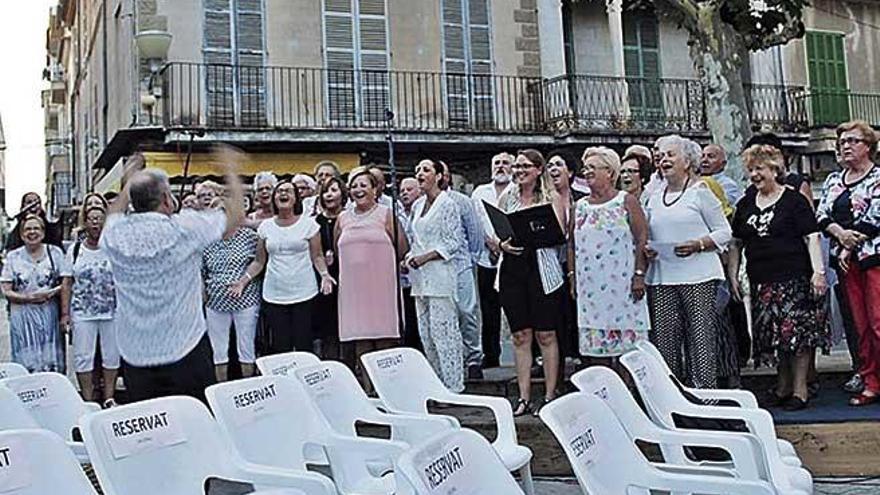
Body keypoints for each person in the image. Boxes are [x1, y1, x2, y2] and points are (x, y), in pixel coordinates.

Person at [100, 149, 243, 403]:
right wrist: (231, 172)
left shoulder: (115, 234)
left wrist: (129, 178)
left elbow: (114, 213)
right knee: (196, 426)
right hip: (185, 349)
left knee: (151, 432)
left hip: (136, 354)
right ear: (167, 199)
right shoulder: (185, 228)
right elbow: (234, 219)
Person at [729, 144, 828, 410]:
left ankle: (800, 390)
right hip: (762, 279)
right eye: (750, 170)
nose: (754, 175)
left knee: (797, 336)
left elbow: (811, 236)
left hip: (794, 277)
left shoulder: (794, 201)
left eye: (759, 168)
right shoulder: (746, 203)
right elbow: (736, 242)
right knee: (774, 337)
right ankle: (782, 386)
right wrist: (734, 274)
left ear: (774, 169)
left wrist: (818, 272)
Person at [644, 135, 732, 389]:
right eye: (661, 155)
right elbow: (647, 232)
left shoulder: (701, 192)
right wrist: (647, 248)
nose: (664, 159)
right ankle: (672, 397)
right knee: (665, 340)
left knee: (700, 338)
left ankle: (706, 397)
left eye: (671, 155)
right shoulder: (653, 194)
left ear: (688, 161)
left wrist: (699, 244)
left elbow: (724, 232)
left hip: (698, 276)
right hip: (661, 276)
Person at [497, 149, 566, 416]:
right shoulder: (507, 196)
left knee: (546, 334)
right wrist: (501, 243)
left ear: (538, 170)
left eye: (525, 166)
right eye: (517, 166)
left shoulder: (552, 197)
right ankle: (524, 397)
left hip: (541, 270)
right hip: (513, 269)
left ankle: (549, 394)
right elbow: (496, 233)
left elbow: (559, 232)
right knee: (520, 334)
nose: (519, 171)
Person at [816, 120, 880, 407]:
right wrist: (840, 237)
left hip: (872, 258)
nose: (846, 146)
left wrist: (849, 247)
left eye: (853, 141)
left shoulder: (878, 177)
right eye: (842, 142)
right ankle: (870, 380)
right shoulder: (832, 180)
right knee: (859, 324)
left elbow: (876, 215)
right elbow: (821, 214)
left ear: (868, 146)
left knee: (879, 321)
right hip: (845, 262)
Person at [571, 147, 650, 365]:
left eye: (593, 168)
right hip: (591, 290)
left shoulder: (626, 201)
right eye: (585, 168)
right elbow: (571, 244)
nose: (587, 172)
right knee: (596, 355)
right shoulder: (579, 207)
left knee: (628, 356)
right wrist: (572, 277)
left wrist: (639, 274)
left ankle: (630, 396)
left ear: (610, 172)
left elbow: (641, 238)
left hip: (623, 287)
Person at [239, 180, 334, 355]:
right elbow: (259, 261)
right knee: (280, 347)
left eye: (288, 191)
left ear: (296, 198)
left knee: (304, 344)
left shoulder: (309, 225)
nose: (283, 194)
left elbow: (317, 256)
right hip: (274, 294)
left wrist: (325, 275)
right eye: (279, 191)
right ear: (274, 199)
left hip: (304, 293)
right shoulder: (265, 227)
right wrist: (243, 281)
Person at [335, 167, 407, 380]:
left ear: (375, 190)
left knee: (385, 339)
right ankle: (368, 390)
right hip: (354, 289)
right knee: (361, 339)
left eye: (363, 185)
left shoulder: (386, 214)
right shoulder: (342, 218)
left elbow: (402, 247)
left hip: (381, 286)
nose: (358, 189)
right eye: (354, 186)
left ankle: (389, 386)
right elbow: (336, 247)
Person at [408, 160, 465, 392]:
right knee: (427, 334)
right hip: (420, 278)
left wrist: (426, 257)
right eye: (417, 170)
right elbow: (417, 239)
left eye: (425, 170)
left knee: (444, 332)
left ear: (440, 176)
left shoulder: (448, 204)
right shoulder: (417, 205)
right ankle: (436, 384)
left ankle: (453, 385)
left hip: (441, 276)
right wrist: (411, 256)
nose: (420, 174)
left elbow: (453, 242)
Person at [63, 205, 119, 406]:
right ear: (85, 223)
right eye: (91, 218)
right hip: (82, 311)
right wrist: (65, 314)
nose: (96, 222)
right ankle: (87, 400)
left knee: (111, 355)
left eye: (99, 218)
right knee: (82, 356)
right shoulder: (75, 249)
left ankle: (109, 398)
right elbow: (67, 282)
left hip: (112, 311)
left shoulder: (114, 247)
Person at [1, 214, 71, 373]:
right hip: (23, 315)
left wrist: (64, 312)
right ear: (21, 234)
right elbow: (6, 290)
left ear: (43, 232)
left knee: (50, 361)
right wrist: (28, 298)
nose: (32, 232)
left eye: (36, 228)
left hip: (48, 313)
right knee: (26, 362)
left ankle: (54, 395)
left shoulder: (55, 253)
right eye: (28, 229)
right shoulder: (13, 257)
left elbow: (66, 283)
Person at [203, 206, 261, 382]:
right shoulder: (206, 239)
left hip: (246, 299)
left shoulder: (249, 236)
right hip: (215, 301)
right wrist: (202, 291)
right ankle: (221, 388)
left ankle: (248, 385)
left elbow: (259, 261)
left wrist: (243, 281)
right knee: (218, 349)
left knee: (246, 346)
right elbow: (199, 269)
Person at [438, 161, 485, 379]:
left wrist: (470, 260)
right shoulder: (422, 204)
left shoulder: (461, 201)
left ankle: (474, 357)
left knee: (467, 312)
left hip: (460, 264)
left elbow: (474, 233)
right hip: (436, 268)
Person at [471, 152, 513, 368]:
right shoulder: (480, 192)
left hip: (512, 256)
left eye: (505, 163)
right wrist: (491, 243)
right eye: (496, 163)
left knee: (516, 306)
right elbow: (475, 222)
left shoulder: (516, 190)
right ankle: (491, 354)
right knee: (489, 308)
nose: (500, 167)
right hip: (486, 258)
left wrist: (503, 245)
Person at [312, 176, 347, 360]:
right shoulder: (315, 222)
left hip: (348, 277)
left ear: (343, 193)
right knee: (328, 328)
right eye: (326, 191)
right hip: (322, 279)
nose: (329, 195)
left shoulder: (350, 218)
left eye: (334, 190)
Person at [399, 177, 423, 350]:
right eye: (402, 190)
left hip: (422, 270)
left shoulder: (423, 212)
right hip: (403, 275)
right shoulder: (396, 214)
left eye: (409, 189)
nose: (404, 193)